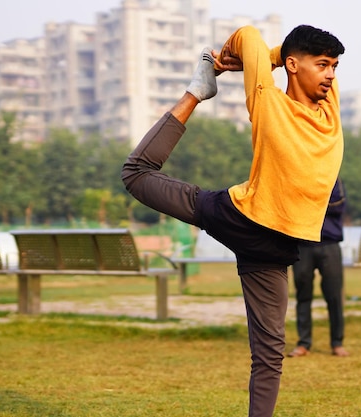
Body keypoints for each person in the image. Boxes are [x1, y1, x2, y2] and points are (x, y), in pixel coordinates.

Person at [121, 24, 345, 417]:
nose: (330, 74)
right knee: (136, 174)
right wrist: (231, 62)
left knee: (270, 352)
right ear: (293, 66)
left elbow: (279, 52)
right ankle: (196, 91)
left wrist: (271, 58)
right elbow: (249, 35)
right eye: (323, 65)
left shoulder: (330, 109)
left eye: (335, 66)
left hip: (273, 247)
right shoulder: (267, 101)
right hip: (238, 215)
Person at [288, 178, 349, 358]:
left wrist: (308, 203)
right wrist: (318, 202)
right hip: (302, 244)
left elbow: (338, 206)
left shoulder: (333, 179)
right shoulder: (297, 177)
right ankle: (303, 343)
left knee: (334, 295)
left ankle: (337, 342)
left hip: (329, 244)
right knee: (303, 294)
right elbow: (292, 206)